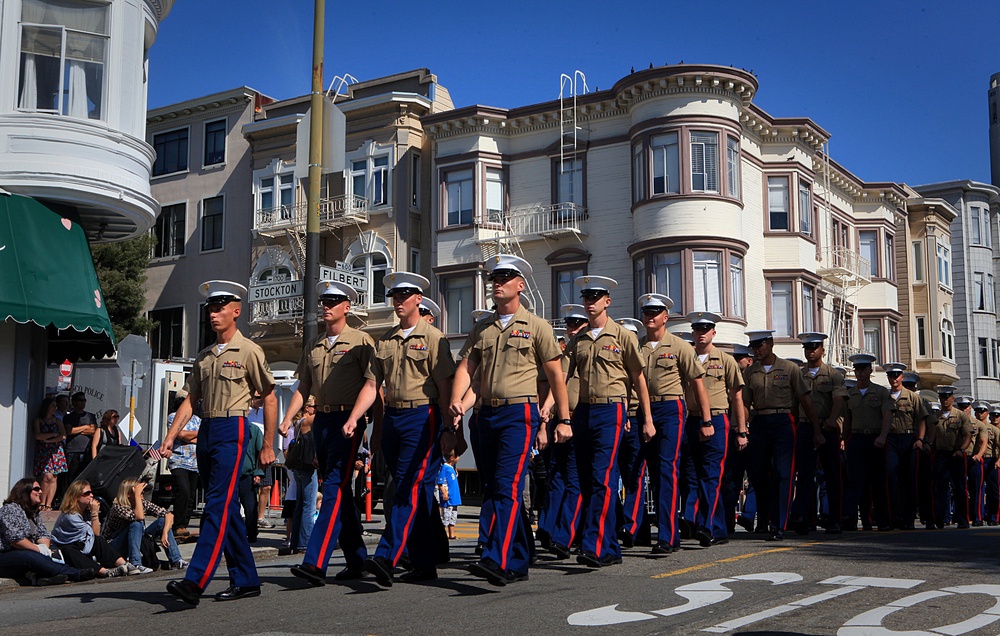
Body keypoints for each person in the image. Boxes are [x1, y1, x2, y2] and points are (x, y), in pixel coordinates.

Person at [451, 254, 568, 585]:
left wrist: (564, 419)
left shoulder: (537, 326)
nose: (497, 283)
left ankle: (496, 558)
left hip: (519, 414)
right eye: (493, 278)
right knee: (497, 488)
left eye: (504, 277)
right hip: (485, 414)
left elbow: (556, 377)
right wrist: (458, 403)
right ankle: (517, 558)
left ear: (520, 285)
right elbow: (467, 369)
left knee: (507, 485)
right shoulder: (482, 328)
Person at [161, 280, 277, 606]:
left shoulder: (249, 350)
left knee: (215, 506)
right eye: (210, 308)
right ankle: (247, 579)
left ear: (236, 312)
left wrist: (268, 444)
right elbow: (189, 400)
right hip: (207, 429)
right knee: (227, 511)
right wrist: (170, 437)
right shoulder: (205, 356)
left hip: (232, 428)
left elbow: (269, 398)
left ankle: (195, 581)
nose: (213, 314)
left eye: (220, 308)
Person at [284, 280, 375, 587]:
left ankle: (315, 561)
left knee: (334, 487)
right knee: (340, 492)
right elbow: (304, 386)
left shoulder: (361, 340)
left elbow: (372, 385)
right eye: (323, 300)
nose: (326, 305)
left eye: (333, 301)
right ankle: (357, 559)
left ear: (347, 307)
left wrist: (356, 419)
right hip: (321, 421)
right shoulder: (314, 345)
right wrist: (287, 419)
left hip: (347, 422)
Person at [366, 272, 455, 587]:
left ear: (418, 299)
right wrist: (358, 419)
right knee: (414, 492)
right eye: (394, 296)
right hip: (392, 418)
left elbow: (446, 387)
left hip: (423, 417)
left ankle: (387, 556)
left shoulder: (434, 338)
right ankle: (423, 563)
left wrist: (448, 427)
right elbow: (372, 385)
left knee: (407, 487)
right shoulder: (386, 340)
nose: (398, 301)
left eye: (404, 296)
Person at [564, 276, 652, 567]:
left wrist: (646, 419)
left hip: (612, 411)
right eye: (586, 297)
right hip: (584, 412)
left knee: (603, 477)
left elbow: (639, 380)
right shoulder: (578, 340)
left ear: (607, 302)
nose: (590, 302)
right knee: (589, 480)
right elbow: (563, 378)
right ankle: (610, 546)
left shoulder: (623, 337)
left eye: (596, 297)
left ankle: (594, 545)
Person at [636, 294, 708, 555]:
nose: (650, 317)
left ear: (665, 317)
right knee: (653, 473)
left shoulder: (679, 346)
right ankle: (665, 532)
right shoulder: (638, 346)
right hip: (645, 410)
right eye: (646, 312)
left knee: (667, 470)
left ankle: (667, 536)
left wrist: (706, 418)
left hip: (671, 408)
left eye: (655, 312)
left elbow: (698, 384)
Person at [742, 330, 822, 541]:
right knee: (758, 473)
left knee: (783, 473)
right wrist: (741, 427)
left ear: (770, 344)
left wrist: (816, 430)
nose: (756, 350)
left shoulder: (790, 369)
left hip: (783, 421)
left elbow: (805, 401)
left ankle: (779, 525)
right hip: (759, 422)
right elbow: (744, 403)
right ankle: (764, 517)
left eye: (760, 345)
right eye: (753, 347)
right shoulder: (750, 373)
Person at [684, 311, 747, 547]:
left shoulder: (726, 360)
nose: (701, 334)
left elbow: (737, 398)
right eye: (697, 330)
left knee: (711, 476)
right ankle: (719, 528)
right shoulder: (686, 358)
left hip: (718, 421)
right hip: (692, 420)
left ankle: (706, 526)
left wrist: (741, 431)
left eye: (705, 329)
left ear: (713, 332)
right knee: (696, 476)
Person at [538, 304, 588, 558]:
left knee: (577, 480)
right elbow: (555, 389)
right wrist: (545, 415)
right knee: (557, 476)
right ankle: (549, 529)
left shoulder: (586, 355)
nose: (573, 330)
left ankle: (567, 534)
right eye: (569, 326)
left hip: (581, 420)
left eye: (577, 325)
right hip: (560, 421)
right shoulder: (563, 356)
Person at [791, 333, 847, 535]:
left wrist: (832, 421)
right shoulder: (798, 374)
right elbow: (794, 403)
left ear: (822, 350)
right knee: (805, 475)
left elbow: (839, 400)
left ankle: (835, 519)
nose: (811, 351)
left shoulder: (833, 375)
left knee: (832, 475)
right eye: (807, 348)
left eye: (815, 347)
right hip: (805, 427)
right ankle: (805, 520)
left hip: (828, 427)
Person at [0, 478, 95, 586]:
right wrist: (38, 549)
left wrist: (44, 547)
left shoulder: (34, 511)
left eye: (40, 489)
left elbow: (42, 534)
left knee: (56, 551)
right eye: (36, 489)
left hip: (25, 551)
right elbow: (16, 540)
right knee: (29, 556)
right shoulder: (10, 509)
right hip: (5, 555)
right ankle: (74, 573)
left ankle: (45, 577)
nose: (40, 492)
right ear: (24, 491)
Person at [841, 354, 894, 531]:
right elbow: (847, 420)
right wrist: (844, 439)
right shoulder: (850, 394)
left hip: (875, 439)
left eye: (863, 369)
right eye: (857, 369)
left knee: (878, 481)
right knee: (855, 481)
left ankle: (883, 520)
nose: (860, 373)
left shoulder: (880, 392)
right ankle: (851, 519)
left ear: (870, 370)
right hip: (856, 439)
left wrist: (883, 436)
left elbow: (887, 415)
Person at [882, 363, 931, 530]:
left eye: (897, 376)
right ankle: (893, 517)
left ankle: (909, 518)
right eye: (891, 376)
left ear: (902, 377)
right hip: (891, 439)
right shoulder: (885, 396)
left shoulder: (912, 397)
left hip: (909, 438)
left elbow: (922, 419)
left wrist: (921, 439)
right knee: (892, 477)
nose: (894, 379)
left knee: (910, 480)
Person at [51, 480, 131, 578]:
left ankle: (124, 564)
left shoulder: (85, 512)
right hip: (65, 548)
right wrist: (94, 514)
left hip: (80, 544)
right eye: (87, 493)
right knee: (72, 550)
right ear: (76, 497)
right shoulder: (70, 516)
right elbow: (95, 533)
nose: (91, 495)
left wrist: (92, 513)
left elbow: (95, 537)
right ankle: (104, 572)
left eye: (91, 492)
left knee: (98, 541)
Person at [104, 478, 187, 571]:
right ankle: (135, 563)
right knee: (136, 523)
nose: (143, 495)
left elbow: (169, 515)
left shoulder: (142, 503)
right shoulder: (118, 507)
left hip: (135, 539)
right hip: (115, 545)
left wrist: (164, 533)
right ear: (128, 494)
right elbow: (139, 517)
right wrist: (137, 496)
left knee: (162, 522)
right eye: (140, 493)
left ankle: (176, 560)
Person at [931, 386, 974, 529]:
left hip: (956, 454)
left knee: (960, 488)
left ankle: (962, 519)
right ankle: (940, 518)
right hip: (941, 454)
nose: (944, 400)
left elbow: (968, 434)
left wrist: (962, 449)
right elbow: (932, 435)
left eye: (947, 397)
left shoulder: (960, 415)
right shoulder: (935, 416)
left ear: (952, 399)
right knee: (941, 488)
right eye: (942, 397)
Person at [281, 398, 317, 557]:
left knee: (300, 505)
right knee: (309, 506)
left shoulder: (297, 424)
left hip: (298, 466)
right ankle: (305, 542)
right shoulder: (308, 421)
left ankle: (296, 541)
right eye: (314, 407)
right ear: (307, 408)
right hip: (308, 466)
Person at [166, 392, 200, 542]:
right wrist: (194, 436)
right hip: (178, 460)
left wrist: (189, 436)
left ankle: (184, 526)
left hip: (194, 463)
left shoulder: (198, 420)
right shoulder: (173, 417)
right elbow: (180, 435)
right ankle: (178, 524)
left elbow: (202, 436)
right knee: (183, 490)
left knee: (191, 495)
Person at [31, 397, 67, 511]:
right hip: (44, 451)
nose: (55, 409)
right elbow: (37, 435)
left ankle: (49, 503)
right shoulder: (38, 421)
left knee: (54, 477)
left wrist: (49, 440)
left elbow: (63, 435)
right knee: (47, 476)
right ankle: (42, 502)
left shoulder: (57, 421)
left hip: (56, 450)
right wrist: (52, 435)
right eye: (53, 406)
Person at [248, 394, 275, 532]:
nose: (261, 400)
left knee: (267, 486)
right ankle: (248, 515)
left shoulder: (266, 411)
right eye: (259, 397)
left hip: (263, 448)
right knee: (249, 485)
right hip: (251, 449)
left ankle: (260, 516)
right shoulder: (246, 411)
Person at [61, 392, 97, 486]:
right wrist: (85, 427)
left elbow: (93, 430)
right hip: (73, 450)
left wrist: (77, 430)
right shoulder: (68, 417)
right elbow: (69, 431)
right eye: (80, 400)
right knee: (71, 476)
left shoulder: (90, 416)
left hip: (86, 450)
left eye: (84, 400)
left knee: (84, 477)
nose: (83, 402)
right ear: (74, 402)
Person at [239, 414, 265, 543]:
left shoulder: (253, 429)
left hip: (247, 474)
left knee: (250, 507)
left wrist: (258, 472)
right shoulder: (229, 429)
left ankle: (251, 533)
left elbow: (260, 451)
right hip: (231, 474)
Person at [967, 401, 991, 526]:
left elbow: (984, 442)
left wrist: (979, 455)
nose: (980, 414)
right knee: (961, 489)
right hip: (959, 457)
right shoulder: (955, 421)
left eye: (982, 412)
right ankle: (962, 517)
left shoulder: (980, 425)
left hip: (975, 458)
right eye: (978, 411)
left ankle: (978, 517)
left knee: (978, 489)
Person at [437, 450, 461, 540]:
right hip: (449, 497)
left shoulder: (451, 468)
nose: (458, 458)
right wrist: (444, 492)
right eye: (457, 456)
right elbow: (440, 482)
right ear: (452, 458)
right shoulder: (444, 468)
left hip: (454, 497)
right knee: (446, 516)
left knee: (453, 516)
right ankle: (441, 535)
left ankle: (451, 534)